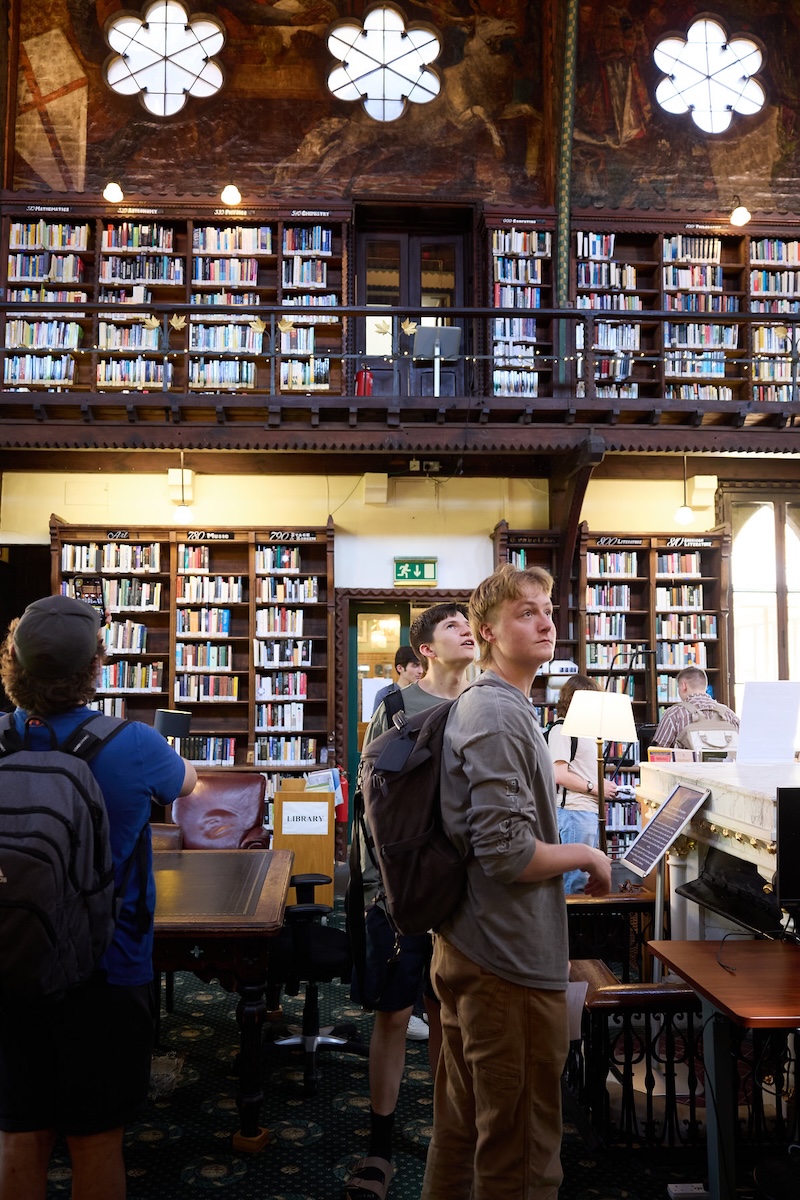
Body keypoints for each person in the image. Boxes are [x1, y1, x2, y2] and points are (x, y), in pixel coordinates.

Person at [421, 564, 612, 1200]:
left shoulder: (497, 707)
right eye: (526, 612)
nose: (546, 621)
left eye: (548, 610)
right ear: (486, 632)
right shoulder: (498, 713)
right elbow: (507, 855)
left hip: (474, 943)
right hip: (506, 957)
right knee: (522, 1156)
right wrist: (585, 853)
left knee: (464, 1134)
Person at [0, 595, 197, 1200]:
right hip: (108, 967)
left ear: (14, 665)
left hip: (9, 960)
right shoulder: (135, 744)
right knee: (96, 1137)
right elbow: (188, 783)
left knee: (18, 1134)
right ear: (96, 669)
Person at [347, 603, 475, 1200]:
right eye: (452, 626)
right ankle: (381, 1145)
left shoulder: (489, 703)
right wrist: (378, 887)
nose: (466, 630)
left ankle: (452, 1141)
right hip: (402, 887)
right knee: (395, 1013)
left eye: (470, 623)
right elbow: (375, 802)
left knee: (457, 1016)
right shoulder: (396, 707)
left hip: (470, 887)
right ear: (425, 649)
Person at [547, 674, 620, 894]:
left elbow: (580, 771)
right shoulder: (562, 730)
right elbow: (559, 774)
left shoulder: (583, 732)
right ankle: (574, 927)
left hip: (586, 811)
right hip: (574, 812)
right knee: (576, 879)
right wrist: (598, 788)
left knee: (584, 877)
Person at [651, 665, 739, 748]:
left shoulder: (674, 714)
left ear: (683, 686)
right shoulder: (729, 714)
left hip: (686, 764)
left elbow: (659, 752)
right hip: (725, 764)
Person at [371, 645, 423, 714]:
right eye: (415, 666)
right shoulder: (385, 694)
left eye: (422, 665)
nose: (421, 671)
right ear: (400, 668)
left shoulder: (424, 694)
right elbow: (377, 723)